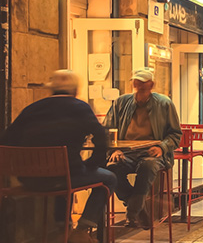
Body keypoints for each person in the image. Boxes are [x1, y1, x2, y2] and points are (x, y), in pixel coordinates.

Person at [0, 70, 117, 243]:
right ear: (76, 91)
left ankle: (63, 227)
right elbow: (101, 139)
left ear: (51, 90)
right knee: (109, 178)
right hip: (64, 178)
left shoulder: (32, 108)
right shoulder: (80, 107)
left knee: (64, 174)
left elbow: (7, 139)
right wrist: (91, 164)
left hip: (29, 180)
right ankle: (82, 230)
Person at [103, 68, 182, 229]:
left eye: (143, 84)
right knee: (111, 169)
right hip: (126, 153)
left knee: (148, 166)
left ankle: (132, 212)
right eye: (136, 83)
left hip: (152, 153)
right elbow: (107, 130)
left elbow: (175, 134)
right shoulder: (121, 102)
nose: (139, 87)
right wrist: (113, 150)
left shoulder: (164, 103)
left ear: (151, 85)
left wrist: (161, 147)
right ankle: (138, 209)